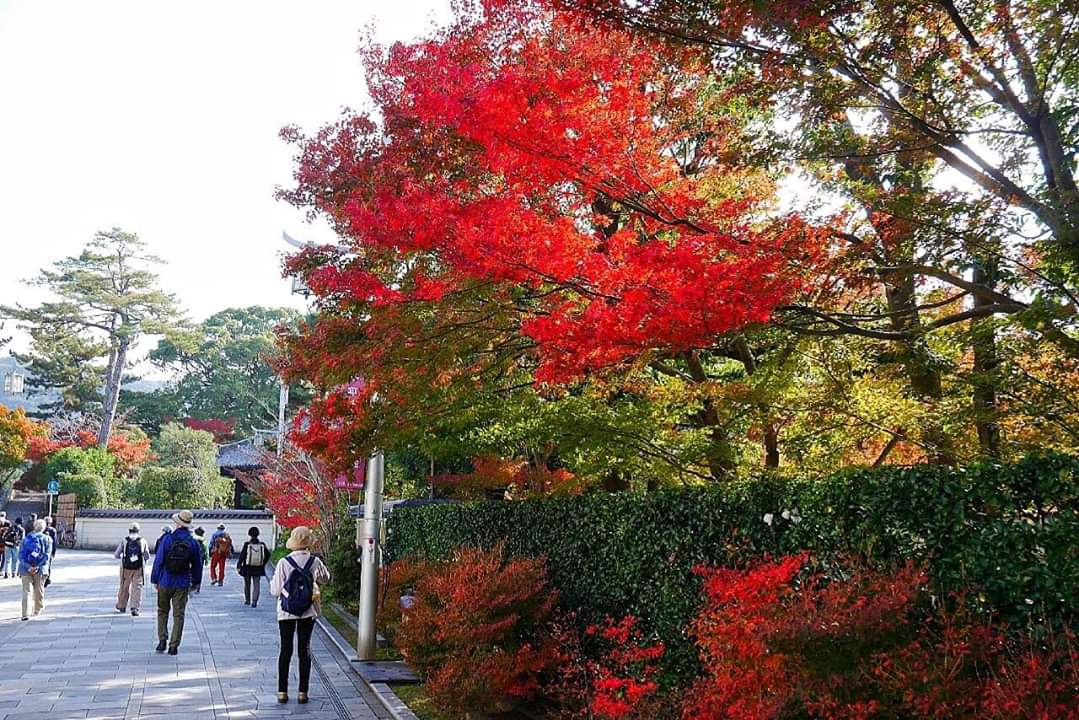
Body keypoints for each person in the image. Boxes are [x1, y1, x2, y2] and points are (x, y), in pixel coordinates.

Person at [270, 526, 330, 705]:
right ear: (308, 543)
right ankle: (303, 692)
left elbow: (274, 591)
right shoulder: (315, 561)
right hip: (308, 610)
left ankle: (282, 691)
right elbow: (326, 579)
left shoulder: (283, 562)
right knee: (304, 649)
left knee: (285, 650)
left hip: (286, 612)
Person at [150, 510, 202, 655]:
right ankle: (174, 646)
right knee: (179, 615)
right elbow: (197, 565)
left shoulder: (167, 539)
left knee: (162, 611)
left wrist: (155, 579)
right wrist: (196, 583)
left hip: (165, 580)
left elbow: (158, 560)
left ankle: (162, 641)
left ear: (177, 523)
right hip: (182, 582)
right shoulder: (193, 542)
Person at [18, 518, 53, 620]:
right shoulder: (47, 539)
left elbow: (20, 556)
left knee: (26, 591)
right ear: (44, 528)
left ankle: (25, 614)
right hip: (40, 569)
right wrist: (37, 566)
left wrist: (28, 567)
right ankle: (37, 609)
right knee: (39, 590)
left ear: (34, 526)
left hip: (25, 569)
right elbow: (47, 556)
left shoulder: (25, 539)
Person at [114, 522, 150, 616]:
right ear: (138, 531)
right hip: (138, 568)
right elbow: (147, 555)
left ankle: (121, 605)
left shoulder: (124, 540)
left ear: (129, 530)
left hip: (126, 568)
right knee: (137, 588)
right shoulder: (143, 541)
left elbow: (116, 554)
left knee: (124, 586)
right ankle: (135, 608)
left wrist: (123, 557)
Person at [236, 527, 269, 608]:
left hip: (247, 567)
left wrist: (239, 565)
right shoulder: (262, 544)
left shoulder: (247, 544)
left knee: (247, 584)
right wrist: (262, 563)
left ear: (249, 534)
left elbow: (242, 556)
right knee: (256, 584)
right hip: (258, 567)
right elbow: (268, 554)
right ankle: (254, 601)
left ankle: (247, 600)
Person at [42, 517, 58, 587]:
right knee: (48, 565)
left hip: (41, 550)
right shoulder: (53, 530)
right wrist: (54, 551)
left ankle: (42, 577)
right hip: (49, 550)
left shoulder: (41, 529)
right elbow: (54, 542)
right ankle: (47, 578)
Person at [192, 527, 209, 593]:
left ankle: (192, 585)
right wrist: (207, 560)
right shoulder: (203, 540)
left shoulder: (193, 539)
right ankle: (197, 586)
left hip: (193, 557)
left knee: (192, 572)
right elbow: (206, 550)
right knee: (199, 573)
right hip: (200, 558)